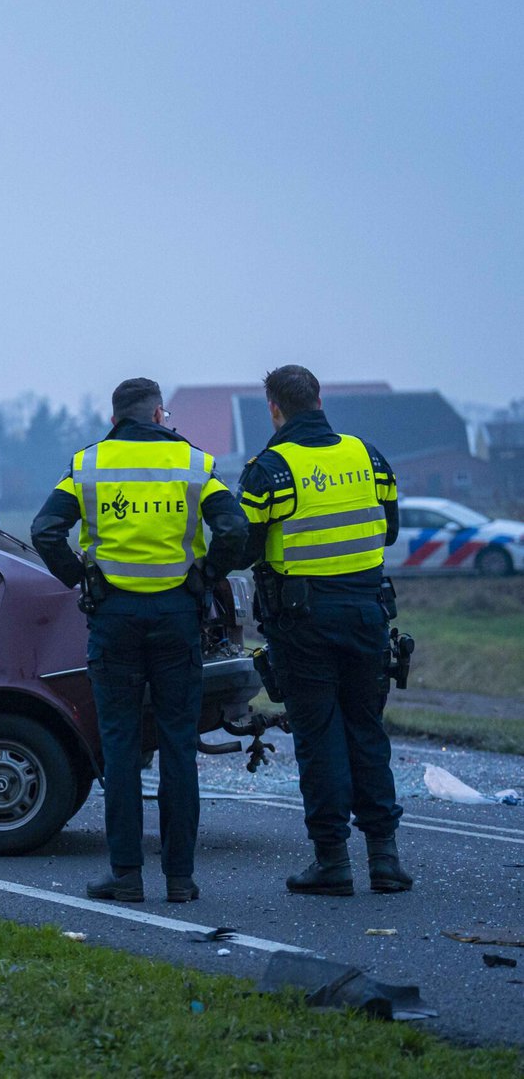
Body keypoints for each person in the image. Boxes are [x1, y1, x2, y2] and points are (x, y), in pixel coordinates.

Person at [32, 378, 246, 904]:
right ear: (158, 413)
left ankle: (126, 875)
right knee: (178, 748)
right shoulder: (194, 464)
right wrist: (205, 575)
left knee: (122, 750)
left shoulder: (89, 465)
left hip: (115, 619)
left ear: (114, 419)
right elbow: (236, 530)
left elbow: (44, 531)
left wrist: (82, 581)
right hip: (177, 618)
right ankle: (180, 879)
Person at [233, 365, 411, 896]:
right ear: (318, 398)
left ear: (274, 407)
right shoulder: (367, 454)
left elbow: (243, 547)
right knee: (366, 731)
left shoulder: (270, 469)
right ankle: (385, 859)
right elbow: (391, 528)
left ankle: (332, 861)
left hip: (303, 622)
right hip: (367, 615)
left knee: (319, 738)